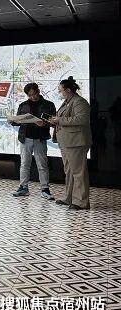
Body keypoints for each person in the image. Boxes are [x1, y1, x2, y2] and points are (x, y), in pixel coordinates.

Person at [49, 76, 92, 210]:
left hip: (76, 142)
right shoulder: (67, 102)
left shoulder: (79, 102)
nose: (59, 93)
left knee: (78, 172)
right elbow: (63, 119)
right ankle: (69, 197)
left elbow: (81, 119)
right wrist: (52, 122)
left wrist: (59, 120)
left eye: (61, 90)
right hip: (66, 142)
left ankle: (81, 202)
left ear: (68, 90)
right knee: (69, 171)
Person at [10, 83, 56, 199]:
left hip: (40, 138)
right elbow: (18, 121)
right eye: (29, 95)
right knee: (24, 164)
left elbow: (54, 122)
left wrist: (44, 124)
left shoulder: (49, 105)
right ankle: (23, 188)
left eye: (34, 94)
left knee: (42, 164)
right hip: (25, 138)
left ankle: (45, 189)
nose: (32, 97)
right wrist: (12, 121)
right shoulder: (23, 105)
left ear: (38, 91)